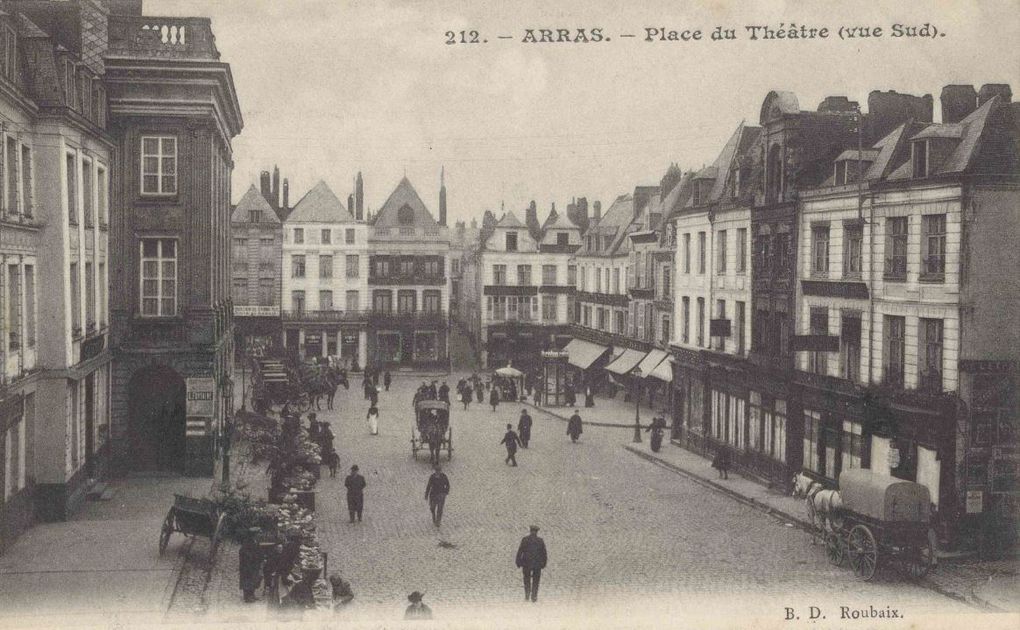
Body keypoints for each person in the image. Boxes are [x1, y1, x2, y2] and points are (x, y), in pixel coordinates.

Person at [515, 525, 547, 603]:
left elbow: (520, 551)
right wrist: (543, 563)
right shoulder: (540, 541)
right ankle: (534, 596)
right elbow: (544, 553)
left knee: (526, 579)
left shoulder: (525, 540)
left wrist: (518, 562)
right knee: (536, 580)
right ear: (536, 532)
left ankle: (527, 595)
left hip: (526, 563)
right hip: (537, 564)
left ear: (530, 531)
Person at [238, 527, 263, 603]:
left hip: (255, 564)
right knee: (247, 580)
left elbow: (258, 551)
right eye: (259, 533)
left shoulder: (256, 541)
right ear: (254, 535)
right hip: (247, 565)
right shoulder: (247, 542)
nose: (260, 535)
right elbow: (243, 552)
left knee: (254, 579)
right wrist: (250, 558)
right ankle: (247, 597)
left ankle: (252, 595)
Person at [425, 463, 451, 527]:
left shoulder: (444, 476)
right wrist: (426, 494)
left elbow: (447, 485)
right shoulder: (432, 477)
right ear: (435, 471)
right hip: (433, 494)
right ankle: (433, 515)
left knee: (440, 508)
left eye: (439, 471)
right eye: (437, 471)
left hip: (441, 495)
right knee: (432, 507)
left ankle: (438, 521)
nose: (438, 472)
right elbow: (429, 486)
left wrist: (445, 492)